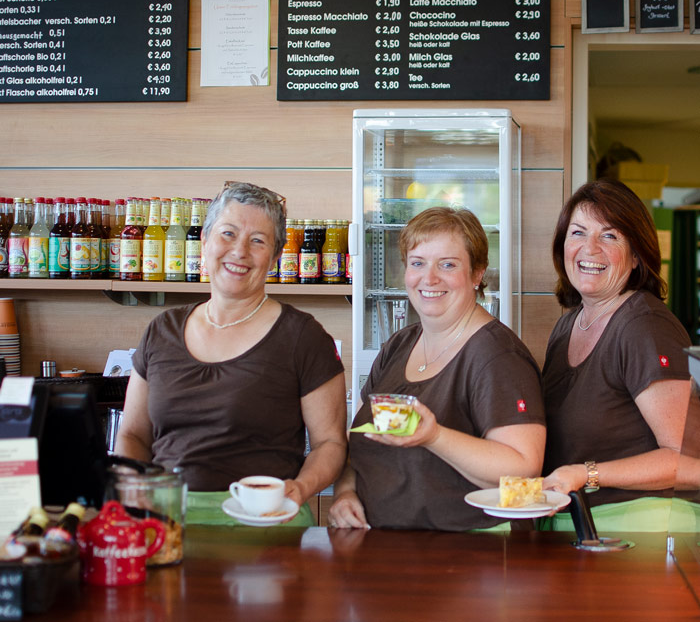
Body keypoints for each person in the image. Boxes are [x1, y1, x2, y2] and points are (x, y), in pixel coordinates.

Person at [116, 181, 347, 525]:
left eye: (258, 241)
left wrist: (300, 487)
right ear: (205, 240)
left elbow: (331, 442)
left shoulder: (304, 337)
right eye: (227, 234)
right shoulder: (161, 331)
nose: (239, 251)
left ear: (274, 257)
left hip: (263, 518)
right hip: (165, 518)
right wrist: (136, 490)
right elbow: (133, 434)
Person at [329, 207, 546, 531]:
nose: (429, 278)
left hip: (470, 556)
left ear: (477, 274)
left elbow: (524, 470)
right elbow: (361, 440)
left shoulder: (498, 356)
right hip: (387, 551)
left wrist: (435, 437)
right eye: (418, 263)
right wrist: (345, 491)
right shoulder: (399, 345)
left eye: (447, 265)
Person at [541, 178, 692, 532]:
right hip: (586, 527)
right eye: (578, 233)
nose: (589, 248)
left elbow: (688, 460)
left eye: (609, 236)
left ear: (637, 255)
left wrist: (586, 474)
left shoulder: (645, 327)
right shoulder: (567, 327)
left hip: (643, 530)